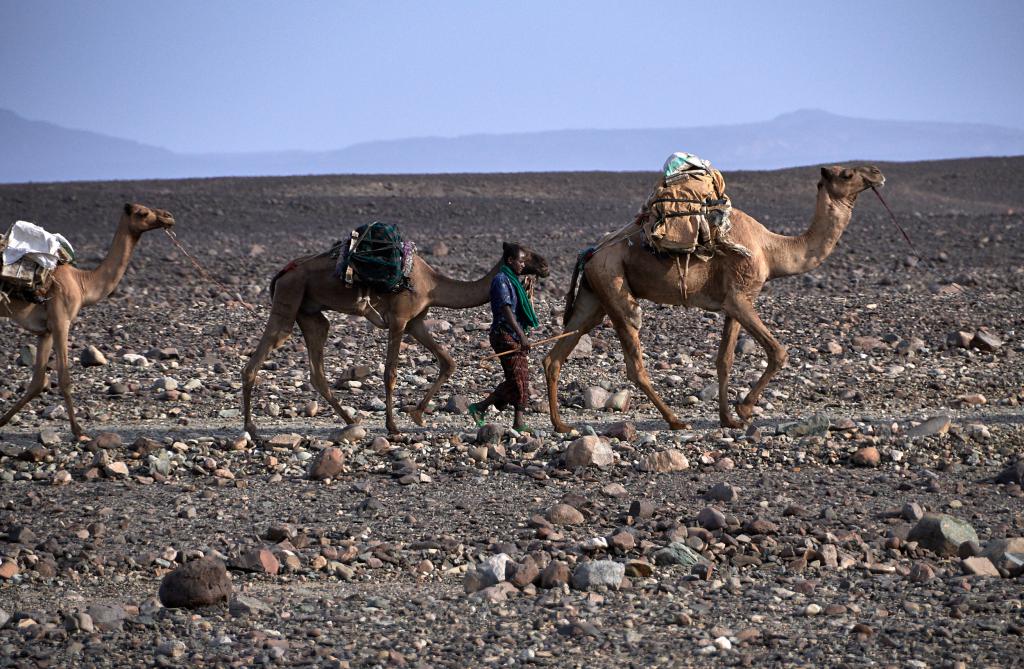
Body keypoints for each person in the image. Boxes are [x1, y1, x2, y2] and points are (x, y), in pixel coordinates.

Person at [469, 244, 539, 432]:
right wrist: (523, 336)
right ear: (510, 261)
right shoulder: (501, 280)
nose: (524, 265)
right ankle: (481, 408)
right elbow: (506, 310)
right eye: (521, 261)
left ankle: (513, 420)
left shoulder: (512, 280)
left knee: (518, 377)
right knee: (519, 379)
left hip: (513, 333)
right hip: (504, 334)